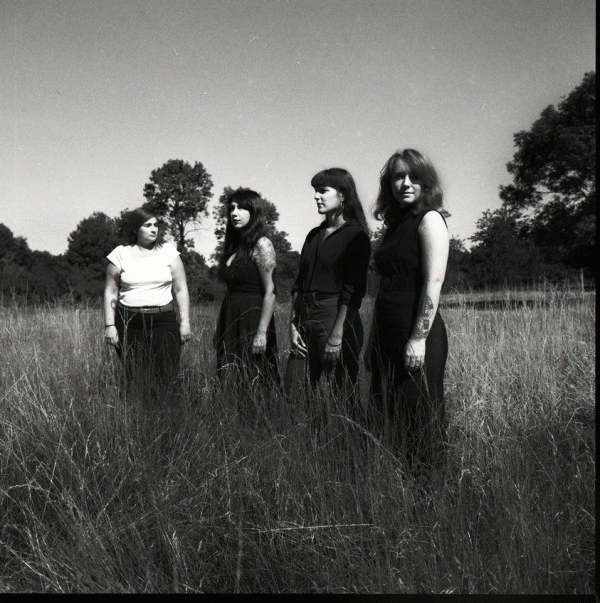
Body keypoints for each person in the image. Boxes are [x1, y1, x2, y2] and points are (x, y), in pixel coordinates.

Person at [368, 149, 449, 474]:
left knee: (420, 414)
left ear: (426, 182)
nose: (405, 183)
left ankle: (429, 491)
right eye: (398, 176)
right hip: (387, 329)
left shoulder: (430, 219)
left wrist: (418, 338)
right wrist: (373, 341)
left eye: (414, 177)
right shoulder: (394, 225)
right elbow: (385, 288)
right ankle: (398, 484)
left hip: (418, 332)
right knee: (389, 412)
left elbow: (433, 282)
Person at [284, 168, 371, 417]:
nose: (316, 196)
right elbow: (300, 283)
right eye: (315, 191)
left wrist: (337, 335)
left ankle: (349, 440)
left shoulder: (356, 235)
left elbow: (353, 292)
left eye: (323, 190)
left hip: (336, 316)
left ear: (343, 195)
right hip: (306, 316)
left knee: (341, 393)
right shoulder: (314, 235)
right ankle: (309, 439)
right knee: (297, 391)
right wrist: (293, 324)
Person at [103, 207, 191, 399]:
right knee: (135, 376)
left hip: (163, 321)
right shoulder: (120, 254)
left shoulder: (168, 252)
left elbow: (181, 289)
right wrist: (110, 325)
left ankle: (167, 412)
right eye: (148, 225)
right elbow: (110, 291)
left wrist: (185, 322)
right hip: (129, 322)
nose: (154, 229)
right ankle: (138, 414)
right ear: (136, 228)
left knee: (167, 375)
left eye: (156, 225)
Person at [214, 188, 279, 388]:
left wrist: (261, 333)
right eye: (231, 208)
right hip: (230, 316)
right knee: (228, 376)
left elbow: (270, 291)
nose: (234, 213)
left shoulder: (262, 244)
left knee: (253, 377)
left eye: (241, 208)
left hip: (252, 318)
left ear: (254, 211)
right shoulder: (234, 246)